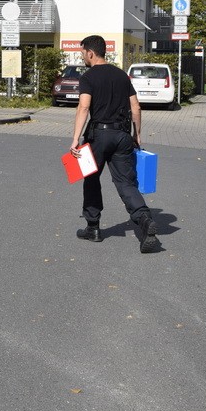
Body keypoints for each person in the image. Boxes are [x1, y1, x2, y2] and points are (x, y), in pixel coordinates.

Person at [69, 35, 160, 252]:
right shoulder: (121, 75)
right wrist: (137, 135)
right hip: (122, 136)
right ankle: (145, 221)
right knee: (126, 183)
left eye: (83, 53)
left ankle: (93, 228)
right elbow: (136, 107)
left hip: (98, 136)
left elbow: (83, 108)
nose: (83, 56)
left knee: (91, 179)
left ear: (90, 53)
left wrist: (75, 138)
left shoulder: (88, 77)